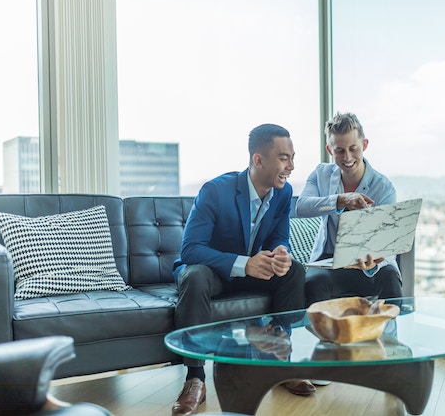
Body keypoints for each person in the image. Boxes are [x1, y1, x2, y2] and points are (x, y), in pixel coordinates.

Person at [170, 123, 313, 416]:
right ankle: (195, 379)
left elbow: (279, 236)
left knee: (294, 271)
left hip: (253, 272)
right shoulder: (215, 191)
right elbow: (191, 250)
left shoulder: (283, 193)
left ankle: (280, 360)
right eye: (284, 158)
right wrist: (243, 263)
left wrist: (282, 252)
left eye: (293, 157)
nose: (292, 166)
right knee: (194, 276)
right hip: (213, 273)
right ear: (258, 160)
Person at [296, 112, 403, 306]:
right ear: (329, 149)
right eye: (339, 150)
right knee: (313, 283)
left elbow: (389, 243)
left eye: (353, 148)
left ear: (365, 145)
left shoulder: (384, 187)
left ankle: (391, 336)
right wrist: (340, 200)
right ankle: (323, 336)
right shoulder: (321, 174)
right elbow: (302, 207)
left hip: (370, 263)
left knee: (390, 278)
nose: (347, 157)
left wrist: (373, 261)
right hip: (329, 262)